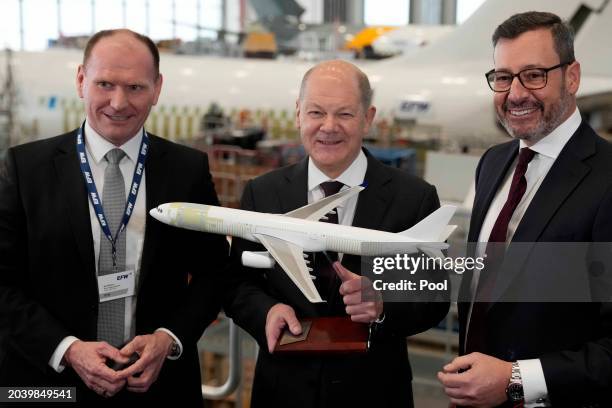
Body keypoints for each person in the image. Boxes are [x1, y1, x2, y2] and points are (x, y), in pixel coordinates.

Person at [0, 29, 228, 406]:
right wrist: (68, 349)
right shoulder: (26, 169)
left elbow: (215, 272)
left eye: (135, 88)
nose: (118, 103)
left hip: (155, 382)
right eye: (104, 84)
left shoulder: (187, 169)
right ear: (80, 81)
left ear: (157, 89)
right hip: (46, 383)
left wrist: (169, 338)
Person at [223, 60, 449, 408]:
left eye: (344, 114)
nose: (328, 127)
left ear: (368, 117)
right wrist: (266, 311)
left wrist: (383, 304)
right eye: (316, 112)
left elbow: (435, 297)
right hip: (283, 391)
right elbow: (237, 283)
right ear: (299, 114)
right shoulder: (262, 193)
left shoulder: (415, 198)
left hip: (373, 391)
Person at [437, 12, 612, 408]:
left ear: (572, 77)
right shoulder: (494, 163)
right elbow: (489, 279)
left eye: (534, 75)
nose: (515, 93)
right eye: (503, 77)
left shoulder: (606, 180)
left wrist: (515, 380)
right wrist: (385, 288)